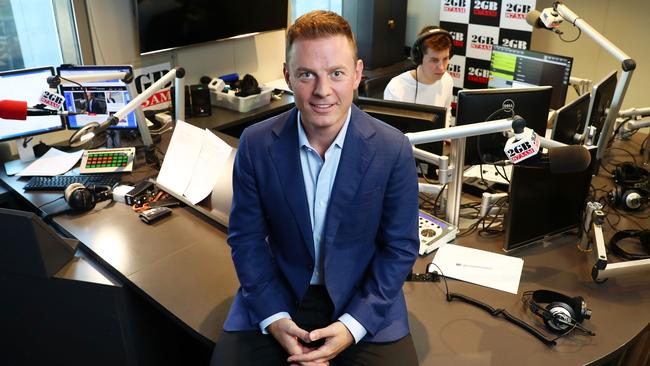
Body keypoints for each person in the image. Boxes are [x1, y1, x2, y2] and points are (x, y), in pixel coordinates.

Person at [211, 10, 420, 366]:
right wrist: (274, 319)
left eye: (336, 73)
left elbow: (400, 247)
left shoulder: (393, 148)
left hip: (364, 297)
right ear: (287, 75)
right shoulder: (256, 144)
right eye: (307, 74)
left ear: (356, 74)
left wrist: (354, 325)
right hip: (277, 293)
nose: (323, 91)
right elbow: (245, 239)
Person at [384, 26, 454, 127]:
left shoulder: (447, 80)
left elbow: (447, 112)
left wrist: (445, 137)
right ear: (419, 58)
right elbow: (391, 134)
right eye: (434, 60)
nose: (442, 68)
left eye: (445, 59)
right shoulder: (396, 88)